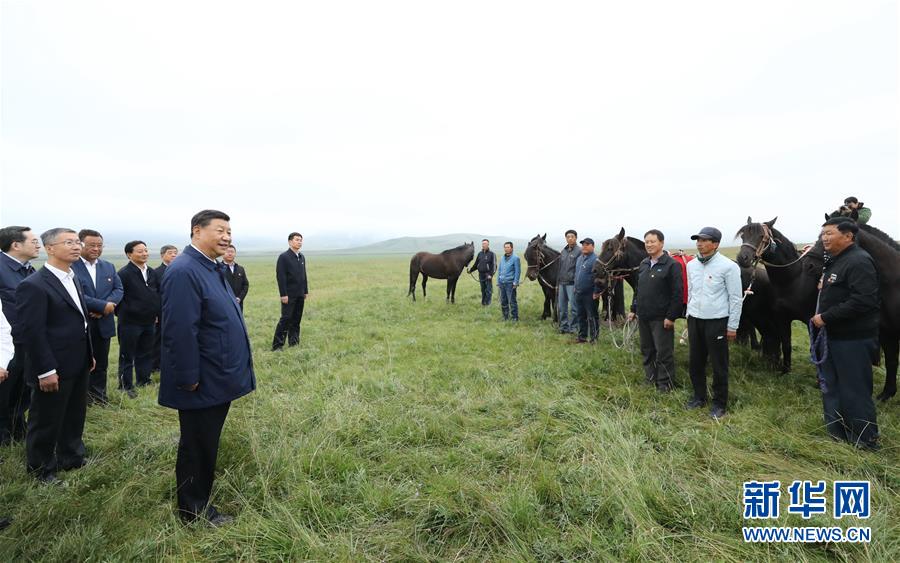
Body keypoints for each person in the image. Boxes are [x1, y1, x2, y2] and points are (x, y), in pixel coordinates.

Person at [158, 209, 255, 525]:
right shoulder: (185, 271)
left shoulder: (210, 267)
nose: (227, 236)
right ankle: (194, 512)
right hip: (201, 380)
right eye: (220, 230)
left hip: (216, 375)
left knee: (204, 442)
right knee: (197, 445)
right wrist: (187, 378)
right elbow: (180, 329)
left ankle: (197, 500)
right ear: (197, 231)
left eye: (230, 231)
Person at [13, 228, 93, 484]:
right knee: (46, 419)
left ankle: (71, 456)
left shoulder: (73, 277)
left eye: (77, 241)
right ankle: (41, 469)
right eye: (68, 242)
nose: (76, 246)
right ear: (50, 248)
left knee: (74, 412)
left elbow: (80, 320)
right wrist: (45, 370)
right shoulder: (33, 285)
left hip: (78, 360)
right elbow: (32, 333)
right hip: (52, 365)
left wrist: (88, 354)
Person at [812, 218, 880, 449]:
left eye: (829, 233)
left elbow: (863, 300)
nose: (824, 238)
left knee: (855, 390)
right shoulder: (836, 261)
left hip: (853, 339)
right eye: (823, 234)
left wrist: (825, 317)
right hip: (833, 338)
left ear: (848, 236)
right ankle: (837, 436)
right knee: (831, 387)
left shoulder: (859, 261)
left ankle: (865, 441)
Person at [685, 227, 743, 419]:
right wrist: (688, 317)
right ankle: (699, 397)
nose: (700, 243)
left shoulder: (729, 267)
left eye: (704, 240)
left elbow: (735, 298)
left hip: (717, 321)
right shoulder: (691, 265)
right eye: (698, 240)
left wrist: (732, 326)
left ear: (715, 244)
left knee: (719, 364)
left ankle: (719, 403)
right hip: (695, 320)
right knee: (695, 361)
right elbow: (691, 292)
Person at [72, 229, 123, 405]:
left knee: (101, 364)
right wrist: (101, 305)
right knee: (80, 365)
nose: (96, 248)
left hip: (103, 322)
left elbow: (118, 289)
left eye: (99, 245)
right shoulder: (71, 266)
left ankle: (99, 397)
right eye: (91, 245)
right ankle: (81, 399)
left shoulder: (108, 266)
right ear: (80, 244)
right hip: (80, 324)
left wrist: (105, 308)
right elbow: (74, 294)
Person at [627, 230, 683, 392]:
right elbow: (639, 289)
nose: (649, 245)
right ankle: (650, 378)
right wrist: (633, 309)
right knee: (647, 350)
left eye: (652, 241)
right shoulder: (644, 264)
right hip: (643, 316)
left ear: (661, 243)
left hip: (661, 318)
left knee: (663, 352)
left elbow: (677, 293)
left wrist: (671, 317)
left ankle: (665, 383)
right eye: (647, 242)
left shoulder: (672, 265)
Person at [0, 226, 39, 445]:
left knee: (23, 389)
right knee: (4, 390)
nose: (38, 244)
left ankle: (17, 429)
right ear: (16, 245)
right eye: (33, 241)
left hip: (28, 341)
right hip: (6, 344)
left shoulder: (30, 269)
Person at [116, 241, 160, 397]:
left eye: (146, 250)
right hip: (130, 323)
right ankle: (125, 386)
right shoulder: (124, 273)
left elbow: (157, 294)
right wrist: (126, 313)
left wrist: (155, 313)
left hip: (149, 322)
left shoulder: (152, 273)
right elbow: (118, 298)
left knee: (145, 353)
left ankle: (143, 380)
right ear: (129, 254)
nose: (144, 254)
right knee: (127, 355)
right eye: (140, 251)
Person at [272, 232, 309, 350]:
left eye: (301, 240)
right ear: (290, 242)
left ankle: (294, 342)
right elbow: (281, 276)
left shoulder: (301, 257)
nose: (299, 242)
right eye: (297, 240)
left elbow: (304, 275)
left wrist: (305, 290)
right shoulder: (284, 257)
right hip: (288, 295)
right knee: (286, 319)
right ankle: (277, 345)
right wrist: (283, 294)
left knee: (297, 319)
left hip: (300, 294)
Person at [152, 245, 179, 372]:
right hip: (162, 311)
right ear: (162, 255)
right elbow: (154, 294)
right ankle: (156, 365)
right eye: (170, 253)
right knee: (159, 337)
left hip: (178, 310)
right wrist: (156, 313)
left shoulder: (180, 270)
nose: (174, 255)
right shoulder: (156, 272)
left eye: (175, 253)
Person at [573, 238, 601, 343]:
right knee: (580, 316)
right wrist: (575, 287)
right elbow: (576, 274)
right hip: (578, 292)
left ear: (593, 246)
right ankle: (582, 337)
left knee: (592, 316)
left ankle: (594, 338)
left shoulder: (596, 260)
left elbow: (598, 277)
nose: (584, 246)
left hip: (590, 294)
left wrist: (596, 291)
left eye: (587, 244)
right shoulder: (580, 258)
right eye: (583, 244)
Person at [557, 230, 580, 334]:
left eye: (572, 236)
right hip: (562, 283)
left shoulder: (579, 251)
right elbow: (559, 268)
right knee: (562, 308)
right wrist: (557, 283)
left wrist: (576, 284)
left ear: (576, 238)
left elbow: (578, 269)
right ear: (566, 238)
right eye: (568, 237)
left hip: (572, 284)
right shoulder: (563, 251)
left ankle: (574, 328)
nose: (570, 238)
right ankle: (564, 327)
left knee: (574, 308)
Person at [468, 239, 497, 306]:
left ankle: (488, 304)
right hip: (481, 274)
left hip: (488, 275)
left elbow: (494, 266)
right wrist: (471, 270)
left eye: (485, 243)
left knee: (488, 290)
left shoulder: (492, 254)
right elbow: (476, 264)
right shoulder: (480, 254)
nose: (484, 245)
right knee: (483, 289)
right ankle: (483, 303)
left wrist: (491, 275)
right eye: (483, 243)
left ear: (488, 244)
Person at [496, 242, 520, 321]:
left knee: (512, 301)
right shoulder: (502, 258)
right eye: (505, 247)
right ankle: (505, 317)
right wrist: (498, 281)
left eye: (508, 247)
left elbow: (517, 271)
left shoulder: (516, 258)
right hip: (502, 282)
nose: (506, 249)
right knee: (503, 301)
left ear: (512, 248)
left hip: (510, 283)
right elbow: (499, 270)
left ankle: (514, 317)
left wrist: (515, 282)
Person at [222, 245, 250, 311]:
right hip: (223, 304)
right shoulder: (218, 269)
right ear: (223, 253)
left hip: (238, 304)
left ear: (235, 254)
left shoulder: (240, 269)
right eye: (227, 251)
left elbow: (245, 285)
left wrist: (240, 298)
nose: (230, 253)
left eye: (232, 252)